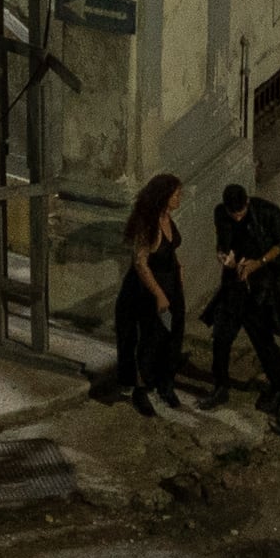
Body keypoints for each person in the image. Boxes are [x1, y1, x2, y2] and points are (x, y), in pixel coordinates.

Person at [204, 180, 280, 404]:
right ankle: (220, 385)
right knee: (221, 337)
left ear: (247, 203)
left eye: (240, 212)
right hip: (233, 283)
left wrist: (259, 262)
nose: (237, 217)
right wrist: (224, 257)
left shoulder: (265, 212)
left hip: (259, 285)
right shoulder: (221, 214)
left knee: (262, 338)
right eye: (232, 213)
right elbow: (222, 243)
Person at [112, 173, 190, 415]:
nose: (179, 198)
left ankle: (165, 384)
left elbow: (170, 251)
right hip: (149, 289)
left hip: (170, 285)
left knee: (173, 334)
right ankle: (141, 390)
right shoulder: (148, 224)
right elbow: (141, 263)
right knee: (151, 337)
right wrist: (158, 294)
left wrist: (178, 271)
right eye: (176, 194)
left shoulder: (167, 218)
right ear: (164, 197)